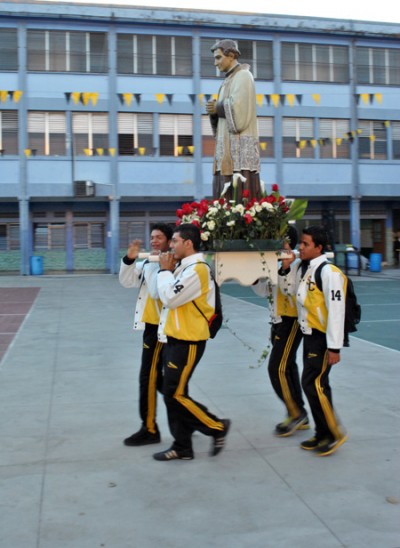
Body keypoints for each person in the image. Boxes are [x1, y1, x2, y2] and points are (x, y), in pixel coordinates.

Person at [153, 223, 230, 461]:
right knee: (175, 393)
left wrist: (164, 271)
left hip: (188, 342)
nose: (170, 245)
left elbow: (170, 298)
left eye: (174, 241)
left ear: (188, 243)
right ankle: (182, 446)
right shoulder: (184, 268)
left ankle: (216, 427)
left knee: (173, 395)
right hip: (175, 339)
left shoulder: (197, 270)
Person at [293, 225, 348, 456]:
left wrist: (334, 347)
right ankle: (322, 432)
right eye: (301, 243)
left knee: (316, 384)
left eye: (305, 244)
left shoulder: (329, 273)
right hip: (310, 336)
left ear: (319, 247)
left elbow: (336, 312)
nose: (300, 248)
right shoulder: (307, 269)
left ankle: (334, 433)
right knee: (312, 384)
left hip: (322, 339)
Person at [119, 223, 173, 446]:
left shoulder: (172, 264)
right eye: (152, 237)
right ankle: (188, 419)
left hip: (164, 329)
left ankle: (150, 429)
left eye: (159, 237)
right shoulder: (149, 262)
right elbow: (127, 281)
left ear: (170, 241)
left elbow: (157, 291)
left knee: (148, 378)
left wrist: (159, 266)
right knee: (165, 382)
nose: (154, 241)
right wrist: (130, 260)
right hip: (151, 328)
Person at [253, 226, 309, 436]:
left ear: (289, 243)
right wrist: (255, 277)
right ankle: (298, 412)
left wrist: (284, 268)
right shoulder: (273, 262)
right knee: (288, 368)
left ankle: (296, 414)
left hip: (292, 321)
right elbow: (263, 291)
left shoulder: (297, 264)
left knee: (276, 368)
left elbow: (291, 291)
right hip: (277, 321)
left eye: (279, 241)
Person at [206, 39, 261, 201]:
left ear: (231, 56)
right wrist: (215, 111)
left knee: (240, 196)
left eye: (218, 57)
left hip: (238, 153)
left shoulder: (243, 76)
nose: (215, 63)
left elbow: (240, 113)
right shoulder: (226, 81)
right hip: (225, 151)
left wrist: (218, 107)